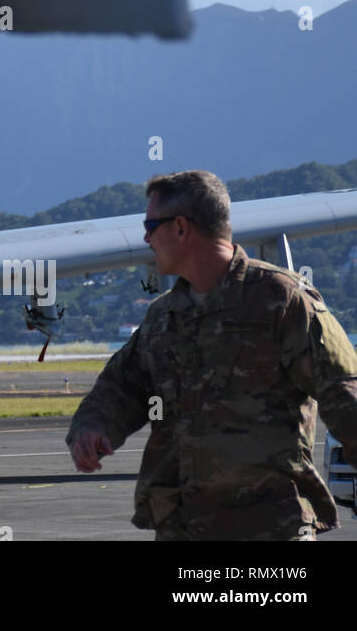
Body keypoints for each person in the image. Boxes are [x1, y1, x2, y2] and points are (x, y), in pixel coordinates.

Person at [67, 169, 357, 541]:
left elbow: (344, 395)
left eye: (151, 224)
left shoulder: (281, 301)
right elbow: (120, 387)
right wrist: (92, 429)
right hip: (182, 528)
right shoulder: (163, 317)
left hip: (267, 529)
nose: (145, 238)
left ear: (181, 228)